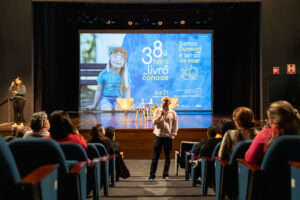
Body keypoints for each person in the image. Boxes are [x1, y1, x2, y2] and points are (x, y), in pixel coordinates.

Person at [245, 100, 300, 165]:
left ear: (273, 120)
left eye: (268, 118)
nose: (267, 120)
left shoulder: (266, 134)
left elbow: (250, 159)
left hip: (269, 175)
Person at [149, 96, 178, 181]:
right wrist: (160, 115)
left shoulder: (173, 113)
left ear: (169, 103)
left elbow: (175, 126)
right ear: (162, 102)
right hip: (158, 137)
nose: (165, 102)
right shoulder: (157, 111)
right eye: (164, 101)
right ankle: (152, 175)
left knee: (168, 157)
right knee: (155, 157)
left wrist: (172, 136)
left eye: (167, 101)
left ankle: (165, 174)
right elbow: (154, 122)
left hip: (168, 138)